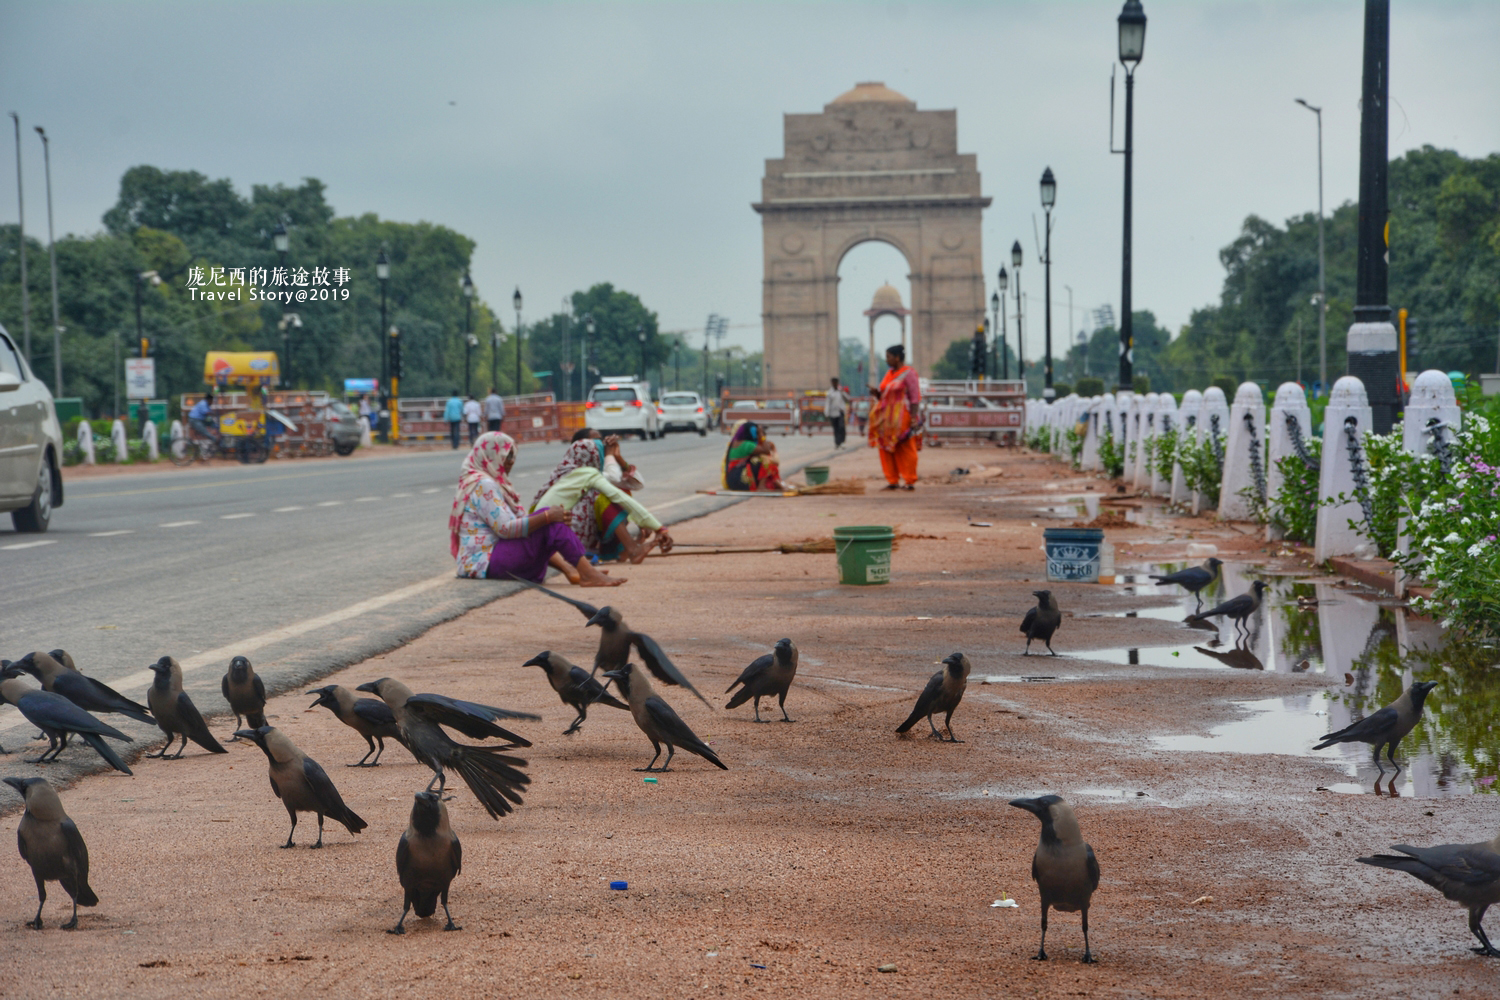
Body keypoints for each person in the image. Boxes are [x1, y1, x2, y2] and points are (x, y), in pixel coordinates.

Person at [449, 431, 623, 586]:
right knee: (547, 520)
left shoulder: (489, 482)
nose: (511, 462)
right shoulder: (484, 484)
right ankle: (587, 573)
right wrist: (547, 516)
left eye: (512, 456)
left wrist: (549, 517)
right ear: (490, 455)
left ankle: (574, 569)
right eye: (506, 456)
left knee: (547, 521)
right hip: (485, 561)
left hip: (487, 560)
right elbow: (506, 529)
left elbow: (526, 526)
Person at [531, 434, 672, 564]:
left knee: (610, 493)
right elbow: (619, 493)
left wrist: (618, 459)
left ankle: (625, 548)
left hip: (540, 536)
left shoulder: (571, 471)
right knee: (605, 498)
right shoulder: (585, 473)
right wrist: (659, 527)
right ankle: (631, 548)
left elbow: (635, 483)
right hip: (552, 538)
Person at [868, 344, 922, 490]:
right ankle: (892, 480)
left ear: (897, 358)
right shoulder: (889, 373)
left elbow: (914, 398)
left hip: (902, 417)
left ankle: (909, 480)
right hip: (886, 419)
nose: (886, 360)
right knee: (885, 448)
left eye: (889, 357)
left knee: (905, 447)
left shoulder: (909, 373)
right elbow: (884, 395)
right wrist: (876, 393)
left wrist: (913, 418)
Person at [723, 421, 782, 492]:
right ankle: (761, 486)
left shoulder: (738, 442)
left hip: (732, 480)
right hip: (739, 479)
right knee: (766, 459)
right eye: (756, 433)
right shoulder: (747, 445)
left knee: (758, 459)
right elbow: (766, 450)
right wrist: (761, 435)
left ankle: (774, 483)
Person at [825, 376, 850, 448]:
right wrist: (826, 413)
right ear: (832, 383)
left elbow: (847, 399)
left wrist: (843, 392)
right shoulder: (830, 393)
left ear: (837, 383)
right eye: (833, 383)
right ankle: (837, 443)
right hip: (833, 413)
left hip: (840, 412)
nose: (835, 384)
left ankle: (842, 442)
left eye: (836, 383)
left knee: (841, 427)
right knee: (836, 428)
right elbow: (827, 404)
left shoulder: (840, 391)